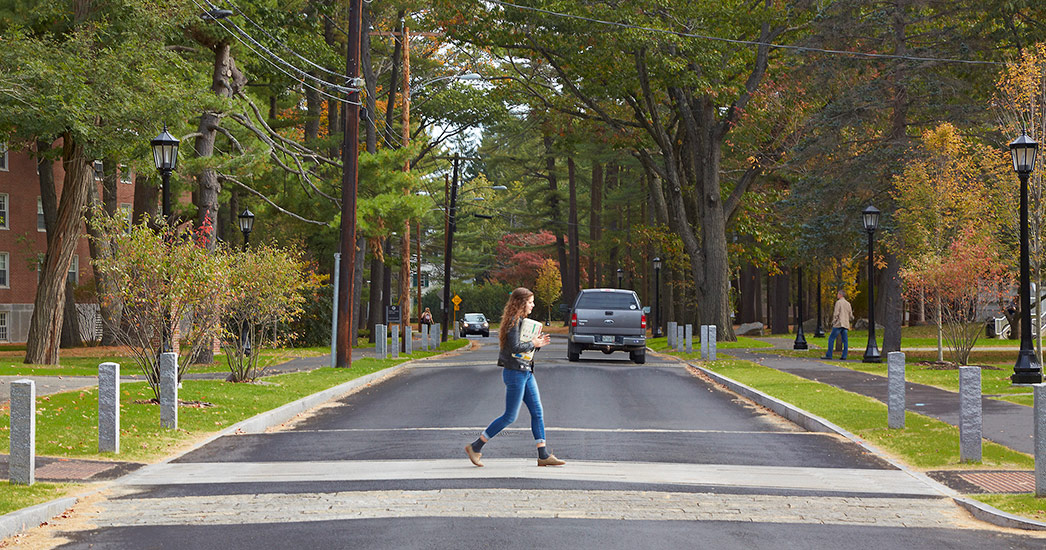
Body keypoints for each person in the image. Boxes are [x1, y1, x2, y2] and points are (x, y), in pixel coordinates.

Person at [465, 287, 565, 467]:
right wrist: (532, 343)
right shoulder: (513, 321)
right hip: (515, 373)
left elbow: (524, 349)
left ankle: (543, 454)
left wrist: (538, 343)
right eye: (530, 302)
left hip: (526, 371)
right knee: (510, 416)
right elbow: (515, 347)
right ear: (521, 303)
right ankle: (476, 446)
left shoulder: (521, 321)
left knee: (537, 411)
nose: (533, 305)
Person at [823, 290, 854, 360]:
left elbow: (836, 313)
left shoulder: (838, 303)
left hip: (839, 323)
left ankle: (829, 355)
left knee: (831, 339)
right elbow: (851, 315)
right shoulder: (848, 303)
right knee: (845, 341)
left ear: (840, 295)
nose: (837, 295)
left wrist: (834, 321)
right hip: (845, 324)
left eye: (838, 294)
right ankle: (844, 356)